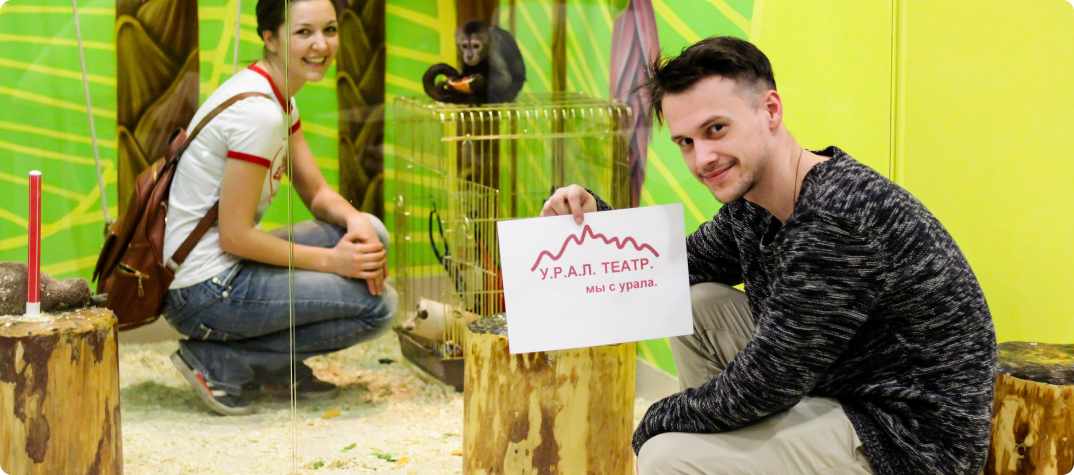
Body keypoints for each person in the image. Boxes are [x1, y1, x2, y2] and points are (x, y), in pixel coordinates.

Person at [542, 37, 996, 475]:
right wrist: (594, 220)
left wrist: (657, 421)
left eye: (716, 129)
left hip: (905, 439)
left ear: (771, 110)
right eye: (686, 142)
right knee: (695, 304)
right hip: (839, 386)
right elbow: (675, 267)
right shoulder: (754, 203)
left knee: (666, 457)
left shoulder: (835, 219)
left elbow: (765, 383)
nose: (703, 158)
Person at [161, 0, 393, 416]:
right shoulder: (260, 115)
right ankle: (222, 361)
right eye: (304, 32)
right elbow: (235, 237)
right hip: (203, 290)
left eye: (330, 30)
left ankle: (268, 366)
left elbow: (317, 192)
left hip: (223, 266)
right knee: (378, 308)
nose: (321, 44)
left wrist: (356, 221)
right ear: (270, 38)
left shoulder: (278, 97)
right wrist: (334, 262)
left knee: (373, 231)